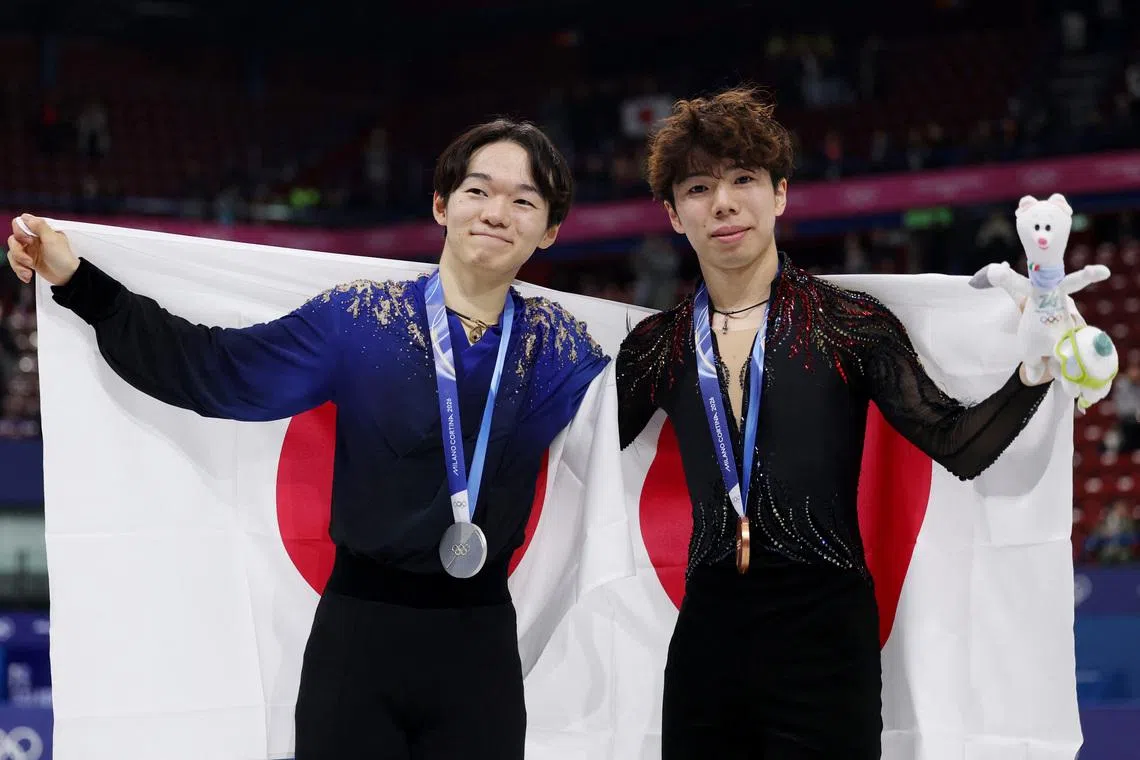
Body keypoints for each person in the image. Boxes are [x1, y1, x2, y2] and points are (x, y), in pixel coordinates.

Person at [8, 119, 610, 760]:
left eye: (523, 200)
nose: (496, 212)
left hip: (480, 651)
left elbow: (656, 417)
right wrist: (81, 284)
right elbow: (217, 370)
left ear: (549, 229)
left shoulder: (564, 352)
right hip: (358, 646)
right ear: (441, 204)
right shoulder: (358, 321)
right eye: (477, 191)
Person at [615, 86, 1057, 759]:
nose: (724, 202)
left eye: (743, 180)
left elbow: (955, 444)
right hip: (708, 636)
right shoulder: (659, 345)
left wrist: (1034, 374)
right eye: (699, 188)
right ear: (675, 215)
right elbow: (578, 450)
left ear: (781, 194)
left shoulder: (849, 324)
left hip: (824, 638)